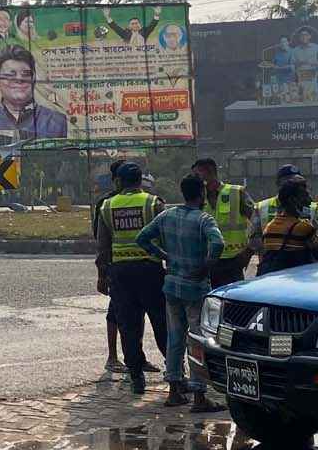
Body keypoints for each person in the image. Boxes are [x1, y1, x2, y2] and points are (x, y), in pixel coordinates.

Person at [136, 173, 225, 412]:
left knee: (174, 337)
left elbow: (142, 238)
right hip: (195, 287)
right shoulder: (203, 219)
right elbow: (217, 244)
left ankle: (174, 390)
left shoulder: (167, 215)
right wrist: (206, 266)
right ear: (202, 194)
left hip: (172, 284)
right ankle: (198, 394)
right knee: (197, 339)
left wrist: (163, 255)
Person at [96, 162, 168, 394]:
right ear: (140, 180)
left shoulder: (107, 206)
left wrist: (102, 275)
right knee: (161, 322)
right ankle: (175, 369)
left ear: (119, 181)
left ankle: (136, 376)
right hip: (150, 271)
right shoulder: (153, 203)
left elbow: (103, 247)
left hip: (121, 273)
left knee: (128, 326)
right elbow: (167, 237)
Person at [0, 44, 70, 145]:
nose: (19, 80)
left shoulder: (56, 120)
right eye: (10, 75)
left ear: (34, 79)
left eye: (26, 74)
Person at [190, 157, 254, 288]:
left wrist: (248, 252)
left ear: (209, 172)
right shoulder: (197, 198)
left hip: (234, 260)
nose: (194, 179)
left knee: (234, 303)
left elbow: (257, 222)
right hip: (208, 261)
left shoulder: (236, 192)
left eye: (197, 175)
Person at [253, 181, 318, 276]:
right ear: (293, 200)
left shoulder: (269, 228)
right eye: (304, 196)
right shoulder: (304, 228)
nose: (309, 201)